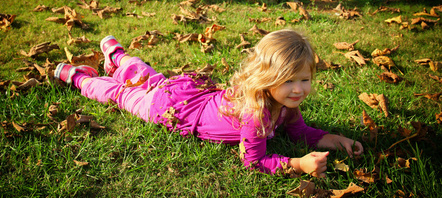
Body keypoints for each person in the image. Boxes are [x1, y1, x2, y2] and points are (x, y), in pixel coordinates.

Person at [54, 29, 363, 177]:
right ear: (266, 80)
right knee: (125, 95)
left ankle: (118, 58)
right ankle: (81, 78)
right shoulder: (255, 114)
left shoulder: (287, 103)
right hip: (169, 110)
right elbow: (253, 160)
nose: (298, 90)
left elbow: (299, 133)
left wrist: (335, 139)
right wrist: (297, 164)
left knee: (153, 78)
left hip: (189, 95)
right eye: (288, 81)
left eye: (304, 80)